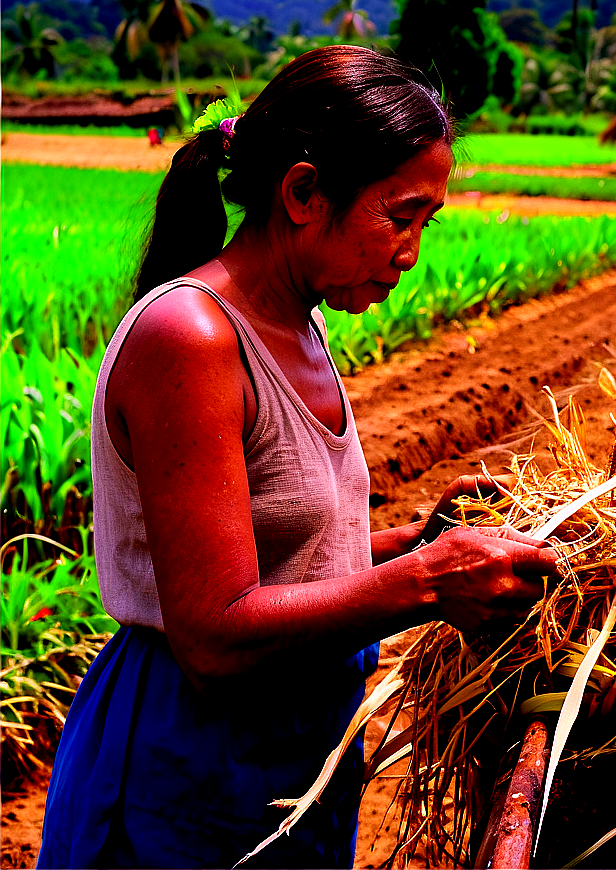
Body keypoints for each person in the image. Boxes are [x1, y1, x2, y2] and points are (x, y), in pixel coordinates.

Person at [37, 45, 557, 870]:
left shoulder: (302, 325)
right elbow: (211, 635)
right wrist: (428, 582)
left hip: (291, 755)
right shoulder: (193, 338)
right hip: (187, 762)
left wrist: (418, 542)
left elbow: (279, 561)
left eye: (429, 221)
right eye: (400, 215)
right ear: (305, 194)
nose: (412, 251)